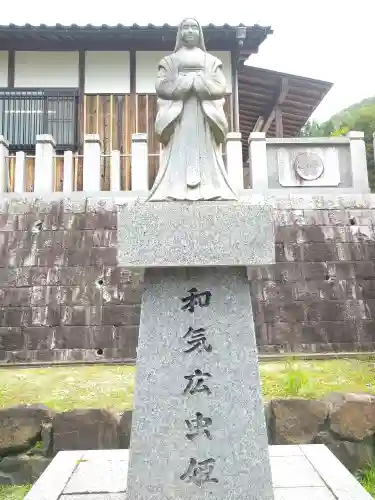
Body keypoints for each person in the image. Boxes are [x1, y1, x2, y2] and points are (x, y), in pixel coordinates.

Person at [147, 18, 237, 201]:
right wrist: (188, 82)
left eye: (193, 27)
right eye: (185, 27)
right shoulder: (169, 61)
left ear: (200, 33)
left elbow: (220, 86)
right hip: (178, 117)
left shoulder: (211, 61)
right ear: (180, 32)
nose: (189, 31)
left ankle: (212, 187)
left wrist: (198, 83)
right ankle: (172, 188)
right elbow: (162, 85)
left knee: (209, 154)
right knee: (177, 152)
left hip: (205, 117)